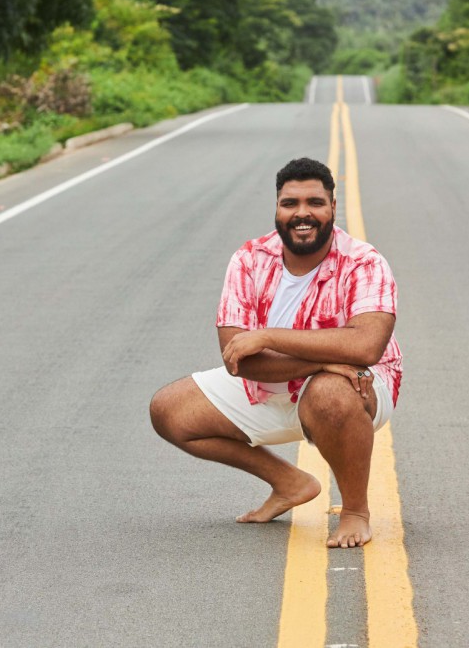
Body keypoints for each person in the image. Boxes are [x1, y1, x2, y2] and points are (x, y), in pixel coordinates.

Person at [149, 157, 402, 548]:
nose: (303, 213)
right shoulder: (249, 259)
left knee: (328, 393)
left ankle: (354, 511)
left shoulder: (364, 262)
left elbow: (366, 347)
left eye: (315, 203)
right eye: (290, 203)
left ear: (333, 207)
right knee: (169, 410)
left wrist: (267, 336)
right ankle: (289, 482)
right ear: (277, 209)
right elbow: (238, 360)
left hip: (356, 387)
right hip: (271, 381)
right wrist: (323, 357)